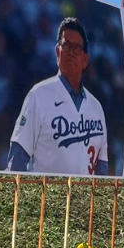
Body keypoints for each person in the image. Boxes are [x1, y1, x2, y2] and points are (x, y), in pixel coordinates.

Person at [6, 17, 110, 176]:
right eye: (65, 45)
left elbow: (102, 168)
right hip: (46, 198)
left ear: (85, 60)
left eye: (76, 48)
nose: (70, 52)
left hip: (86, 199)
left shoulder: (96, 108)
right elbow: (18, 158)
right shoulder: (38, 95)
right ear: (57, 51)